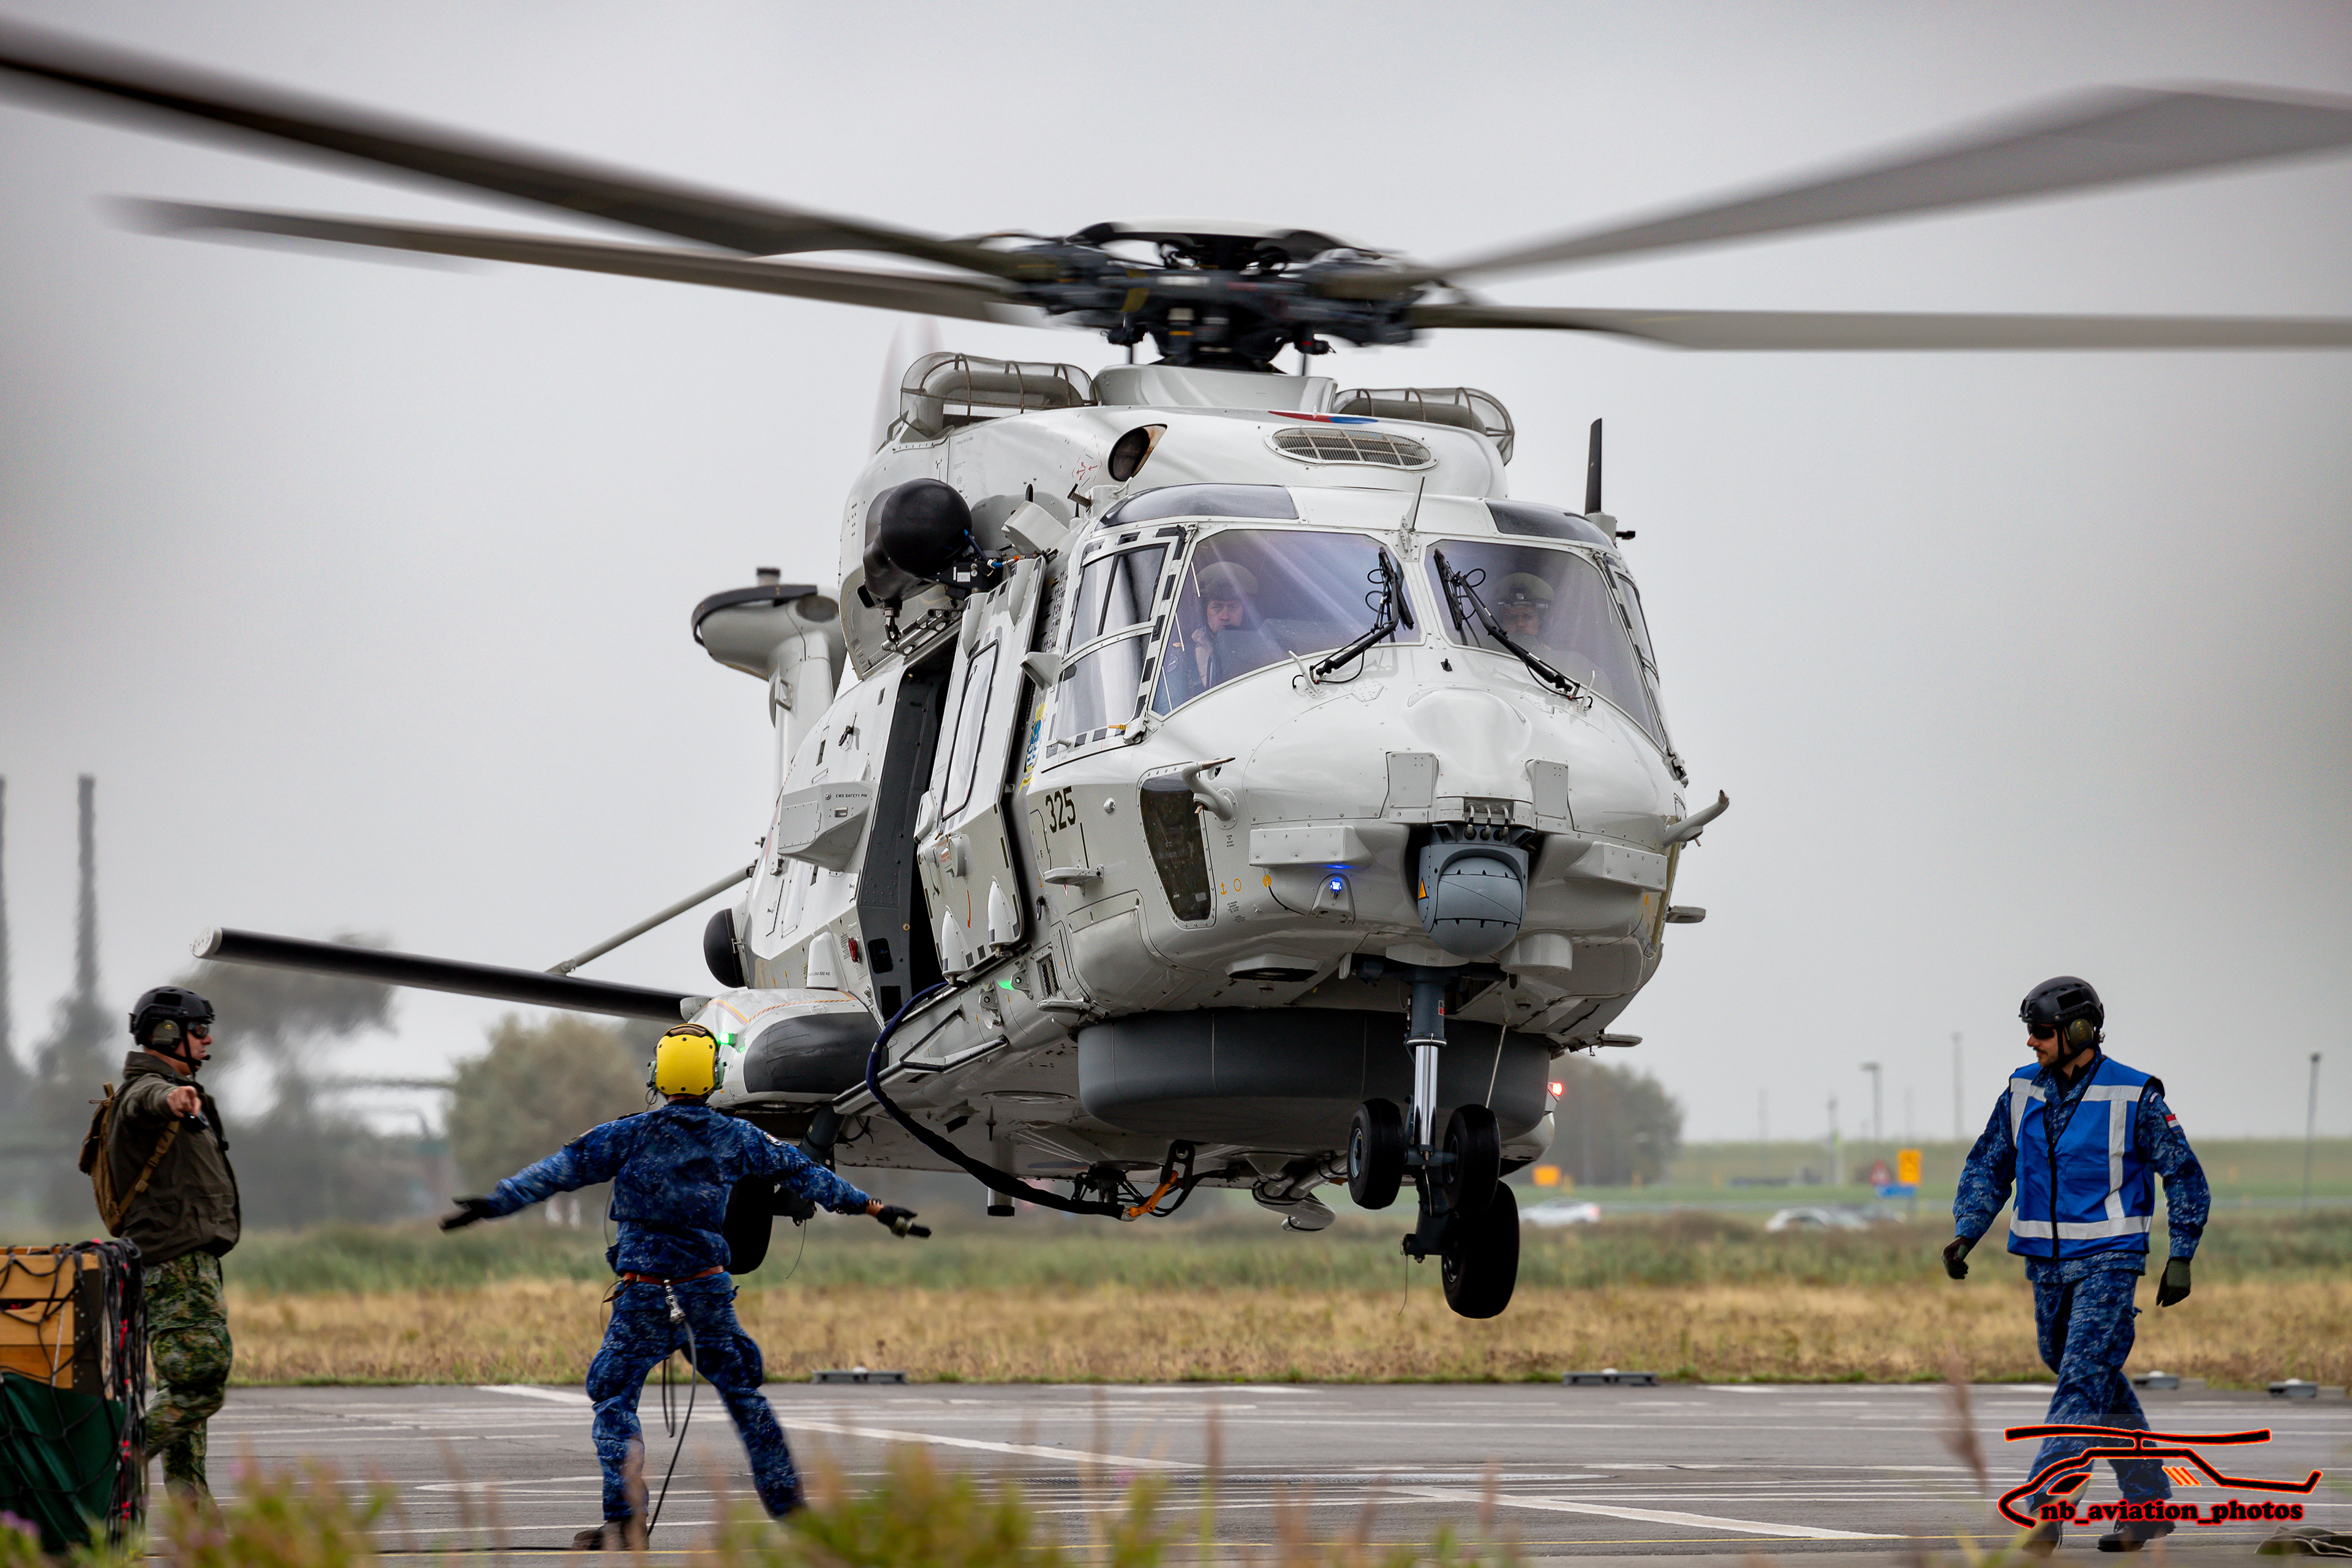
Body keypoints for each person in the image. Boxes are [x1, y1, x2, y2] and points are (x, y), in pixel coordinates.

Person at [440, 1023, 925, 1548]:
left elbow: (557, 1172)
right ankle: (795, 1516)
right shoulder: (738, 1138)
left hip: (643, 1298)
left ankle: (625, 1523)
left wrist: (495, 1203)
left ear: (658, 1074)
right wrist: (879, 1211)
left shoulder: (626, 1134)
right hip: (706, 1298)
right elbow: (809, 1175)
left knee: (612, 1394)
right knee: (745, 1397)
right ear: (715, 1077)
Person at [1945, 977, 2209, 1554]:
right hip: (2046, 1264)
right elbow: (1991, 1164)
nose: (2031, 1044)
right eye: (2030, 1032)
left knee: (2080, 1380)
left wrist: (2181, 1254)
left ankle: (2046, 1508)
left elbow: (2184, 1174)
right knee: (2086, 1376)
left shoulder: (2134, 1096)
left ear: (2079, 1032)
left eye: (2040, 1032)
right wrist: (1968, 1231)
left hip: (2111, 1263)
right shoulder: (2021, 1091)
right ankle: (2148, 1506)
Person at [100, 986, 240, 1506]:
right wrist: (171, 1098)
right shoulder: (149, 1090)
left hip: (186, 1263)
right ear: (167, 1034)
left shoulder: (176, 1087)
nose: (208, 1039)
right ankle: (108, 1467)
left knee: (185, 1405)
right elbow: (143, 1102)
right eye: (199, 1029)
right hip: (175, 1266)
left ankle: (199, 1531)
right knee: (200, 1380)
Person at [1177, 560, 1281, 696]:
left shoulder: (1265, 648)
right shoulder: (1185, 654)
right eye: (1217, 607)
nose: (1225, 616)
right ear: (1205, 611)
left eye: (1233, 607)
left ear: (1244, 612)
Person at [1490, 572, 1554, 645]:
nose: (1520, 624)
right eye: (1512, 617)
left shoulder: (1552, 655)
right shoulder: (1484, 653)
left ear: (1541, 622)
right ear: (1501, 622)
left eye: (1528, 617)